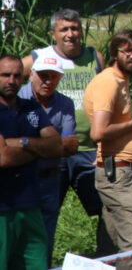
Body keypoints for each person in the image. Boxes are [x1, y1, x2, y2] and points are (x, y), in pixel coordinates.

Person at [23, 10, 105, 243]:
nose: (70, 34)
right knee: (44, 215)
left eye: (75, 28)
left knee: (106, 210)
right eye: (64, 29)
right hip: (51, 152)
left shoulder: (94, 57)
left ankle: (105, 261)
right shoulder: (39, 57)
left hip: (89, 149)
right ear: (53, 34)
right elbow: (7, 75)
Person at [83, 30, 132, 270]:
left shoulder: (120, 80)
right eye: (128, 51)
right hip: (119, 174)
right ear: (115, 53)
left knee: (111, 247)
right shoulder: (108, 82)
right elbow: (98, 132)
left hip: (120, 171)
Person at [0, 54, 61, 270]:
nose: (12, 80)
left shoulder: (32, 108)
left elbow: (56, 146)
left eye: (17, 76)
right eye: (5, 75)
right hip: (3, 207)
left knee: (36, 264)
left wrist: (21, 142)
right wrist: (39, 149)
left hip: (31, 203)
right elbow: (3, 158)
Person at [16, 48, 76, 263]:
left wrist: (27, 143)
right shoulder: (15, 98)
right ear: (31, 73)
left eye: (54, 76)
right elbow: (7, 147)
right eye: (43, 75)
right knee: (16, 238)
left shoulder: (65, 104)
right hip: (19, 181)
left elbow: (70, 146)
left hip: (50, 180)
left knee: (45, 240)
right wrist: (51, 144)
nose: (48, 81)